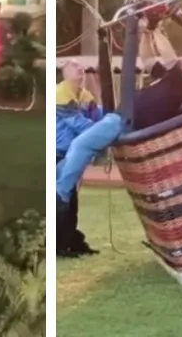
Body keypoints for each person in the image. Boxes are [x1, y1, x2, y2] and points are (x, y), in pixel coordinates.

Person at [54, 27, 182, 217]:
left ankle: (60, 195)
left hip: (124, 121)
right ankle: (57, 189)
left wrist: (155, 28)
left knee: (81, 145)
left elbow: (170, 56)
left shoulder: (180, 83)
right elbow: (148, 59)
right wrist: (145, 33)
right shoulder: (168, 78)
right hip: (123, 119)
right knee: (74, 153)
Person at [54, 60, 104, 258]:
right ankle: (59, 244)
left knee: (71, 201)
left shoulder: (85, 95)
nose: (79, 67)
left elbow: (99, 116)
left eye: (80, 66)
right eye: (74, 65)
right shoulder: (60, 94)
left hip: (72, 154)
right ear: (65, 73)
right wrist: (105, 130)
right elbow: (81, 125)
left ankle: (71, 241)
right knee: (62, 199)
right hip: (58, 153)